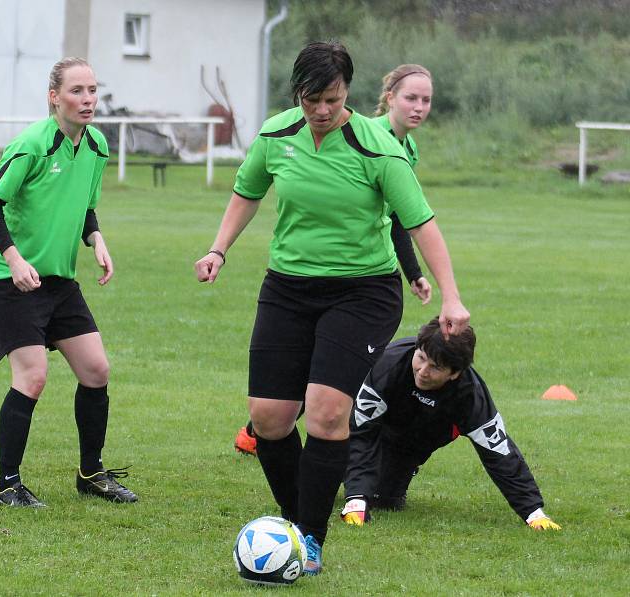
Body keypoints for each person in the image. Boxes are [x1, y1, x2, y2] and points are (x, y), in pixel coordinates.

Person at [195, 41, 469, 575]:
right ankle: (296, 521)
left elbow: (421, 223)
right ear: (297, 93)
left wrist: (450, 294)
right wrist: (218, 248)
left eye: (333, 98)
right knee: (269, 419)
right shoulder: (277, 133)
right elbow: (247, 192)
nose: (321, 109)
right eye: (311, 98)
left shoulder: (377, 146)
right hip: (287, 288)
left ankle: (311, 540)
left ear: (349, 93)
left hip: (363, 292)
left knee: (324, 411)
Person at [232, 64, 435, 458]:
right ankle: (260, 433)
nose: (419, 107)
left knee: (329, 380)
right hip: (311, 276)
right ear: (389, 97)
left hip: (367, 278)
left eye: (426, 100)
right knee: (312, 377)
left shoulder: (406, 148)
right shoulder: (370, 138)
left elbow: (396, 218)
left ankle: (300, 460)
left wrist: (413, 273)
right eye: (411, 97)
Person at [0, 57, 137, 507]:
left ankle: (91, 473)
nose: (88, 99)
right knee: (32, 377)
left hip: (59, 280)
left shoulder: (98, 146)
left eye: (93, 90)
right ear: (54, 97)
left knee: (96, 370)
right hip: (12, 279)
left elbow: (84, 205)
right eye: (77, 91)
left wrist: (96, 239)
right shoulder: (32, 144)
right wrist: (13, 259)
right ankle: (7, 485)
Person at [341, 318, 561, 531]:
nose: (423, 371)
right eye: (421, 357)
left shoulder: (470, 396)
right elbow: (362, 431)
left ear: (455, 373)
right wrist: (356, 499)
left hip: (411, 445)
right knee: (326, 473)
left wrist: (534, 513)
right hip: (366, 426)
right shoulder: (390, 364)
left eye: (435, 367)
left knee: (385, 501)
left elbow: (499, 453)